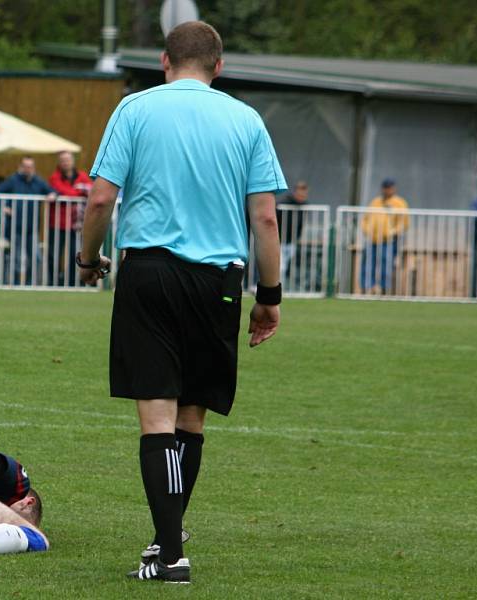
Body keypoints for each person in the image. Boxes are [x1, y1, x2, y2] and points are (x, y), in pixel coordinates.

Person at [77, 21, 286, 584]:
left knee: (157, 418)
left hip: (149, 273)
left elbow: (100, 199)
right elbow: (264, 217)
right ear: (218, 67)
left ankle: (170, 554)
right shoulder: (246, 120)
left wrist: (87, 258)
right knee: (191, 417)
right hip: (218, 280)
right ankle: (166, 543)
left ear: (164, 61)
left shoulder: (135, 109)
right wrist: (269, 297)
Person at [0, 157, 56, 285]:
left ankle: (28, 285)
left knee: (36, 258)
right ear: (21, 167)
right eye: (25, 166)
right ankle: (15, 285)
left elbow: (52, 191)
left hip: (31, 228)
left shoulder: (38, 181)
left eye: (30, 166)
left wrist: (53, 195)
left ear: (33, 168)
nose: (28, 169)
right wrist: (3, 206)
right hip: (14, 227)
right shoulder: (13, 180)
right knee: (16, 260)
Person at [48, 151, 92, 286]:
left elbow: (91, 189)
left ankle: (72, 282)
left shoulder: (82, 176)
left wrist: (78, 191)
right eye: (63, 160)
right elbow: (63, 190)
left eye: (68, 160)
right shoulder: (54, 177)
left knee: (75, 254)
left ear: (73, 161)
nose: (65, 162)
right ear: (59, 163)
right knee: (53, 255)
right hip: (57, 223)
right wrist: (80, 192)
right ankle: (53, 283)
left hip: (75, 224)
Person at [359, 178, 409, 295]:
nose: (387, 190)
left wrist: (393, 232)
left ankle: (384, 289)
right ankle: (367, 287)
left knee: (386, 264)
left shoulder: (399, 203)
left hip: (389, 240)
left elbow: (404, 223)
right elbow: (365, 219)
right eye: (385, 188)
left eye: (389, 188)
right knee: (368, 263)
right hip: (372, 239)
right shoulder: (376, 201)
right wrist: (367, 230)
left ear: (394, 188)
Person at [276, 181, 309, 290]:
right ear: (295, 193)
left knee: (285, 267)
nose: (302, 197)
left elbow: (301, 224)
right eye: (300, 194)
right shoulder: (283, 204)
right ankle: (277, 289)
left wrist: (297, 238)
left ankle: (281, 288)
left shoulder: (304, 206)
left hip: (291, 241)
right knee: (280, 267)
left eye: (304, 195)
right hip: (278, 241)